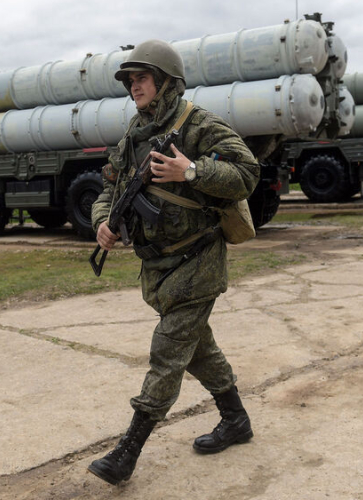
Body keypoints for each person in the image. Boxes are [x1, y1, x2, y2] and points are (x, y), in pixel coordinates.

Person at [87, 39, 260, 486]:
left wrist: (192, 171)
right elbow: (109, 185)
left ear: (166, 82)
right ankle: (236, 420)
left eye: (141, 78)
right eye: (129, 80)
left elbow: (248, 173)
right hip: (159, 266)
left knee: (167, 352)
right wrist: (104, 220)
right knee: (197, 348)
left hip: (198, 260)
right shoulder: (134, 133)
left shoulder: (198, 124)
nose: (133, 86)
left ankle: (127, 453)